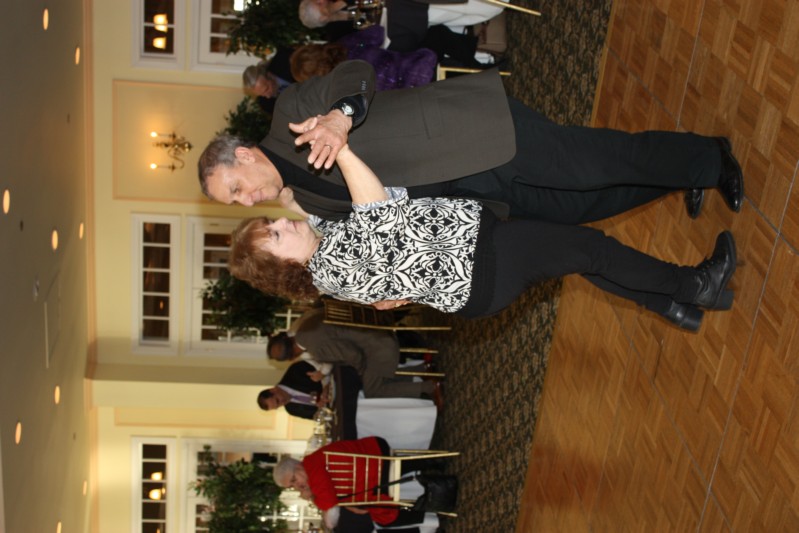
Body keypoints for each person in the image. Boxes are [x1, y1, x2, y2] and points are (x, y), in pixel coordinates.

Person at [228, 142, 738, 331]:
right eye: (275, 235)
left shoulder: (323, 252)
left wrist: (287, 198)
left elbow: (310, 214)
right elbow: (379, 213)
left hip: (483, 258)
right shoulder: (333, 265)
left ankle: (673, 306)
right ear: (285, 265)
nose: (281, 224)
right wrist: (338, 149)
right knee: (593, 250)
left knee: (585, 256)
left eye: (271, 223)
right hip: (484, 267)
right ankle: (697, 287)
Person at [197, 60, 744, 224]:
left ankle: (710, 158)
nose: (245, 201)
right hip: (474, 195)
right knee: (584, 205)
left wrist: (341, 118)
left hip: (471, 134)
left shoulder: (290, 114)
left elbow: (355, 72)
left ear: (243, 154)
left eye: (236, 189)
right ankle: (680, 173)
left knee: (596, 164)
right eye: (235, 202)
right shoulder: (307, 199)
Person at [267, 308, 442, 405]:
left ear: (291, 357)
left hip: (379, 344)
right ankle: (421, 369)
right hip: (373, 322)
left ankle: (430, 387)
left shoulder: (316, 349)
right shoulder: (306, 324)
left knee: (372, 390)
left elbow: (355, 356)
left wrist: (359, 373)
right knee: (373, 375)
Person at [274, 436, 440, 529]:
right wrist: (348, 504)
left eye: (294, 480)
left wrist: (312, 496)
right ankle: (431, 464)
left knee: (384, 518)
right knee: (376, 508)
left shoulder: (311, 466)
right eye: (292, 486)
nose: (297, 486)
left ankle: (432, 507)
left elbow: (331, 512)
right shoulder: (313, 466)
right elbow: (335, 494)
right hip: (373, 454)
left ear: (298, 466)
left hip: (374, 467)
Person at [290, 26, 437, 90]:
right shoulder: (345, 45)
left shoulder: (338, 88)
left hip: (412, 95)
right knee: (436, 32)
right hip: (417, 68)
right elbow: (378, 32)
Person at [257, 360, 330, 419]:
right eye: (278, 406)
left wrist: (325, 387)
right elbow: (319, 418)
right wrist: (321, 409)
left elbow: (324, 367)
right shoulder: (292, 410)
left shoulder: (295, 372)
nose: (281, 403)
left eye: (277, 400)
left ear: (273, 390)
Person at [242, 49, 296, 114]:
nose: (268, 96)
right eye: (262, 95)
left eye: (266, 89)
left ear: (268, 75)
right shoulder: (266, 104)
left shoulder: (283, 59)